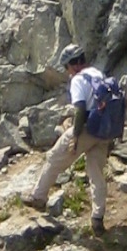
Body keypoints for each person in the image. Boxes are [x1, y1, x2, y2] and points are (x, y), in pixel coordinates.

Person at [30, 43, 110, 233]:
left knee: (54, 158)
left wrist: (75, 136)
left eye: (66, 67)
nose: (67, 71)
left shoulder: (77, 80)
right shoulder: (98, 74)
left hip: (87, 129)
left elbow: (81, 108)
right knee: (96, 174)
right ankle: (97, 218)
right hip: (105, 131)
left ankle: (38, 197)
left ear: (72, 66)